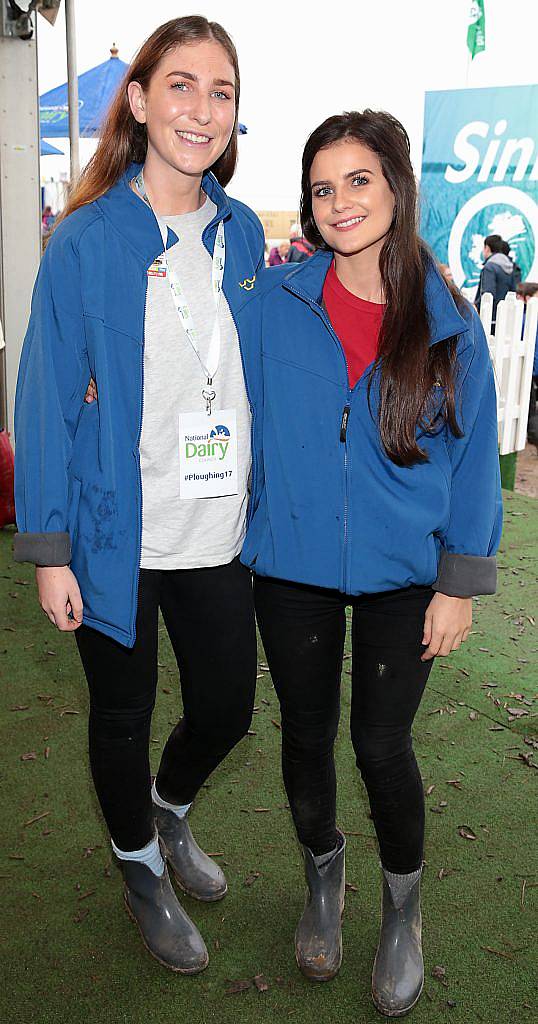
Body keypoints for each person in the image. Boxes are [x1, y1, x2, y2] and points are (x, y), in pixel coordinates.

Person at [14, 16, 264, 974]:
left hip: (217, 531)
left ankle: (168, 810)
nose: (202, 109)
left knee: (229, 709)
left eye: (222, 91)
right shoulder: (83, 242)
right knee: (121, 714)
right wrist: (50, 550)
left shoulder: (246, 235)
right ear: (141, 100)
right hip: (117, 530)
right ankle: (138, 868)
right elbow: (43, 400)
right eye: (183, 86)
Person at [241, 110, 502, 1016]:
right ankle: (324, 879)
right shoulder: (274, 303)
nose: (340, 201)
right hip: (293, 562)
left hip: (405, 574)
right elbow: (194, 365)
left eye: (359, 180)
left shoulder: (449, 323)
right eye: (323, 187)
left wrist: (460, 582)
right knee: (305, 736)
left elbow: (473, 465)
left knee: (379, 743)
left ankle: (402, 910)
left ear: (395, 185)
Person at [475, 233, 515, 319]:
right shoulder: (510, 266)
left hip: (489, 317)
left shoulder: (489, 267)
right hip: (505, 315)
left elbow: (487, 294)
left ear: (487, 248)